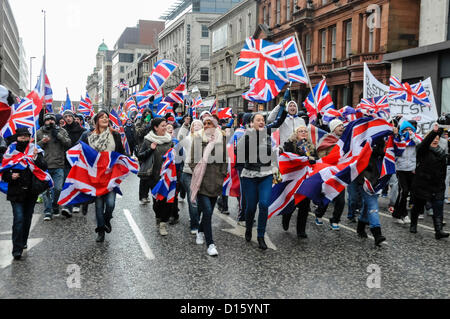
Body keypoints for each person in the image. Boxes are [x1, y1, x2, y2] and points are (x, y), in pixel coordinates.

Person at [237, 102, 289, 250]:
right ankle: (248, 228)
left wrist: (283, 106)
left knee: (264, 204)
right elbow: (239, 155)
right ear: (251, 123)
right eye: (258, 120)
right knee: (251, 207)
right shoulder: (246, 135)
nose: (261, 122)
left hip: (266, 174)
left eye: (262, 120)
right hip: (250, 176)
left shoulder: (267, 132)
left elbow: (278, 121)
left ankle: (260, 235)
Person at [1, 128, 48, 260]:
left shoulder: (35, 149)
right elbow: (3, 171)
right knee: (19, 219)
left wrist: (35, 158)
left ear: (29, 138)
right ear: (17, 138)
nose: (24, 139)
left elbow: (44, 167)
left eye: (26, 137)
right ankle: (17, 249)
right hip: (16, 191)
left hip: (31, 191)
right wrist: (11, 176)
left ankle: (23, 241)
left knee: (27, 219)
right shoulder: (10, 152)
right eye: (21, 137)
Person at [80, 110, 125, 242]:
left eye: (107, 117)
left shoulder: (115, 135)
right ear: (96, 121)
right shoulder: (88, 135)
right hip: (96, 175)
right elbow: (82, 152)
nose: (105, 119)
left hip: (110, 175)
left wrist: (125, 162)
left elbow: (120, 152)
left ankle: (107, 219)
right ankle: (100, 230)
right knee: (99, 205)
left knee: (110, 203)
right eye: (102, 117)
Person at [190, 115, 228, 256]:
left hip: (216, 181)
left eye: (209, 123)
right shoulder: (198, 139)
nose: (206, 125)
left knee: (209, 212)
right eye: (204, 123)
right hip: (202, 181)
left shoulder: (221, 139)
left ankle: (200, 230)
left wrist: (222, 174)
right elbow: (191, 159)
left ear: (215, 125)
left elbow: (225, 159)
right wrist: (197, 172)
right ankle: (210, 243)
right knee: (206, 211)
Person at [410, 125, 449, 239]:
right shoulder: (422, 150)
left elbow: (442, 170)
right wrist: (434, 132)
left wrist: (442, 128)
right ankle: (413, 224)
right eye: (433, 137)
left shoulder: (442, 153)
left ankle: (438, 231)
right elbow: (424, 143)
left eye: (437, 137)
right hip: (422, 184)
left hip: (437, 186)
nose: (436, 139)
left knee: (438, 207)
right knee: (418, 206)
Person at [137, 117, 174, 236]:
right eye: (162, 126)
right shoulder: (148, 140)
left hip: (168, 176)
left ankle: (163, 223)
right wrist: (150, 150)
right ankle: (158, 216)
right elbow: (140, 156)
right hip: (153, 177)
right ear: (155, 128)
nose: (165, 128)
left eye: (165, 125)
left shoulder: (169, 140)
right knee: (157, 203)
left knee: (168, 202)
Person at [280, 125, 318, 238]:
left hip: (306, 179)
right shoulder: (289, 144)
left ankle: (301, 230)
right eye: (300, 131)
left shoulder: (310, 146)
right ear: (296, 133)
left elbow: (316, 159)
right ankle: (286, 217)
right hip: (292, 179)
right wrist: (303, 158)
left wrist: (311, 159)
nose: (303, 133)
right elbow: (288, 157)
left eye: (305, 131)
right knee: (292, 202)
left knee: (305, 205)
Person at [36, 113, 72, 221]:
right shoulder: (39, 132)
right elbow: (33, 147)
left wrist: (58, 136)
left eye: (52, 120)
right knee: (45, 191)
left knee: (58, 189)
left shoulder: (61, 131)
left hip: (58, 165)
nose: (50, 122)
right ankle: (48, 211)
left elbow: (68, 143)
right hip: (44, 166)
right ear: (44, 121)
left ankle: (55, 205)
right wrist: (42, 141)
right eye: (47, 120)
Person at [354, 138, 387, 247]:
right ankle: (377, 234)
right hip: (364, 180)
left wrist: (391, 137)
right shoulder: (361, 139)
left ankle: (360, 227)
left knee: (367, 205)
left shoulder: (379, 138)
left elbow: (381, 153)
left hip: (375, 179)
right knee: (372, 205)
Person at [314, 119, 346, 230]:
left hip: (341, 174)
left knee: (341, 201)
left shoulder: (345, 141)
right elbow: (322, 157)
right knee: (326, 199)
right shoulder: (326, 140)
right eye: (339, 126)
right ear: (333, 128)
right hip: (328, 174)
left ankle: (335, 220)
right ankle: (318, 214)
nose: (342, 127)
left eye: (342, 125)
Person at [392, 120, 420, 224]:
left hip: (412, 169)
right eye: (406, 130)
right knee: (403, 191)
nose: (408, 131)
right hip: (400, 169)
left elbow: (420, 144)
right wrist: (396, 135)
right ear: (402, 130)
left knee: (406, 193)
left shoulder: (415, 138)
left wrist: (412, 136)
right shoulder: (399, 139)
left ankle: (397, 213)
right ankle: (403, 214)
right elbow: (395, 146)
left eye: (410, 129)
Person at [179, 119, 204, 235]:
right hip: (188, 173)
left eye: (200, 124)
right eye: (195, 125)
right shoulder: (189, 139)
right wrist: (185, 125)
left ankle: (195, 217)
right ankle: (195, 225)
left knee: (201, 201)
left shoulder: (207, 140)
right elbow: (180, 138)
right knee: (193, 199)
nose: (197, 126)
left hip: (203, 174)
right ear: (192, 129)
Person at [62, 110, 87, 215]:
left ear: (73, 117)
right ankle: (68, 207)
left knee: (77, 182)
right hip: (66, 160)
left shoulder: (82, 130)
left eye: (70, 116)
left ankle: (77, 204)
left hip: (78, 160)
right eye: (66, 117)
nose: (68, 118)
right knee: (68, 183)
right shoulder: (62, 130)